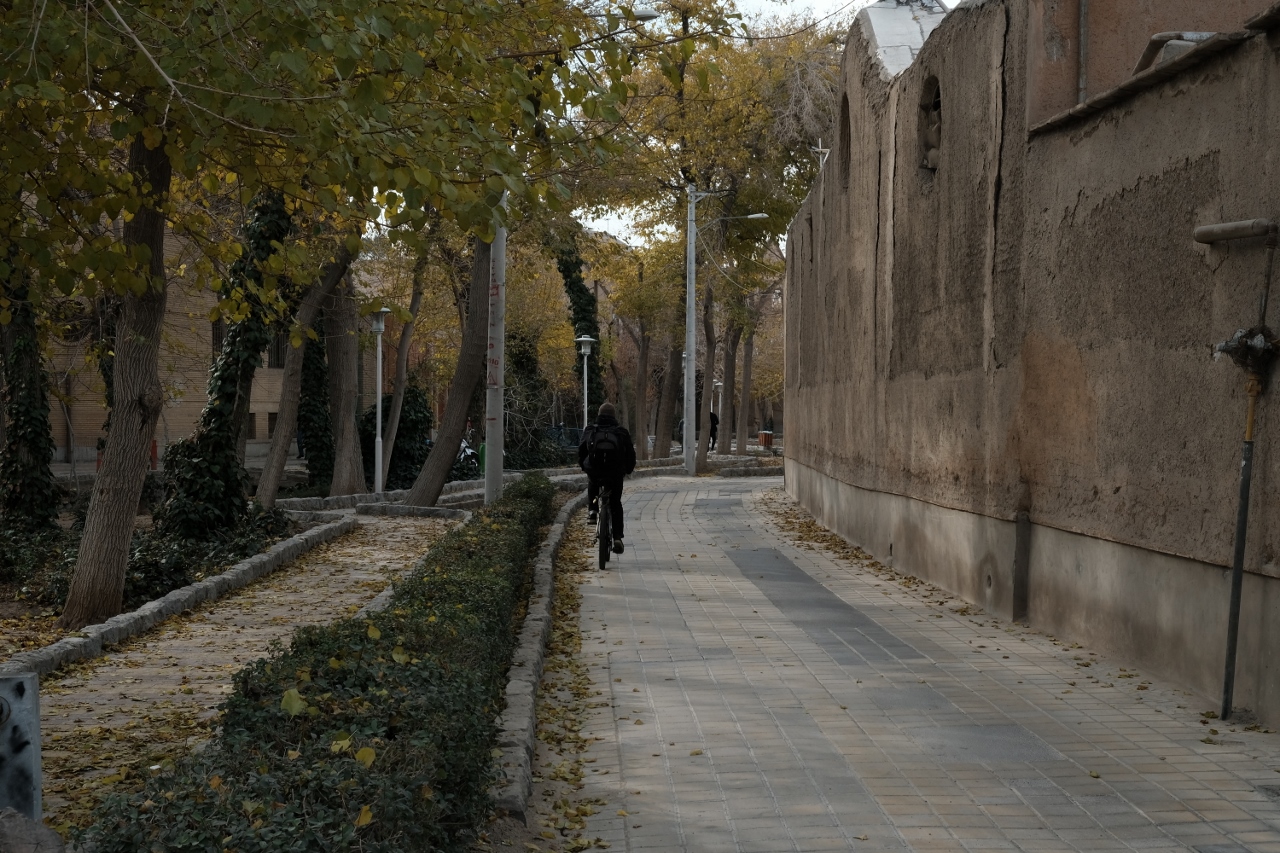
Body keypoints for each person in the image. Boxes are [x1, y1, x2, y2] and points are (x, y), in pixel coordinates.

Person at [579, 402, 637, 555]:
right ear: (613, 416)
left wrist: (584, 467)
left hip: (596, 471)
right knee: (615, 502)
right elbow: (630, 453)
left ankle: (592, 510)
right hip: (615, 473)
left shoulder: (591, 430)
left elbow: (582, 450)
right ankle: (617, 537)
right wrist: (628, 470)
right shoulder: (621, 432)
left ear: (599, 414)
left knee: (592, 483)